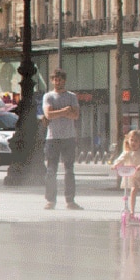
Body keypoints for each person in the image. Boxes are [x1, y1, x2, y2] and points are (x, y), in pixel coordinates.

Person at [42, 69, 82, 210]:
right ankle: (50, 200)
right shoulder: (48, 96)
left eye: (60, 79)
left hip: (69, 137)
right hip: (53, 138)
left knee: (69, 170)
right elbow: (48, 114)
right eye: (55, 79)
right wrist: (65, 111)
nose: (58, 82)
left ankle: (70, 201)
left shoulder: (71, 96)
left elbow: (76, 115)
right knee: (51, 170)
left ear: (64, 80)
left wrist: (58, 112)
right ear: (52, 81)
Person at [112, 129, 140, 225]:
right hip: (134, 174)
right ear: (128, 141)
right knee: (133, 190)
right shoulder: (127, 152)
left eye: (136, 141)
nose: (133, 143)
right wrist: (115, 165)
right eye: (132, 140)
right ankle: (132, 211)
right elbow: (120, 159)